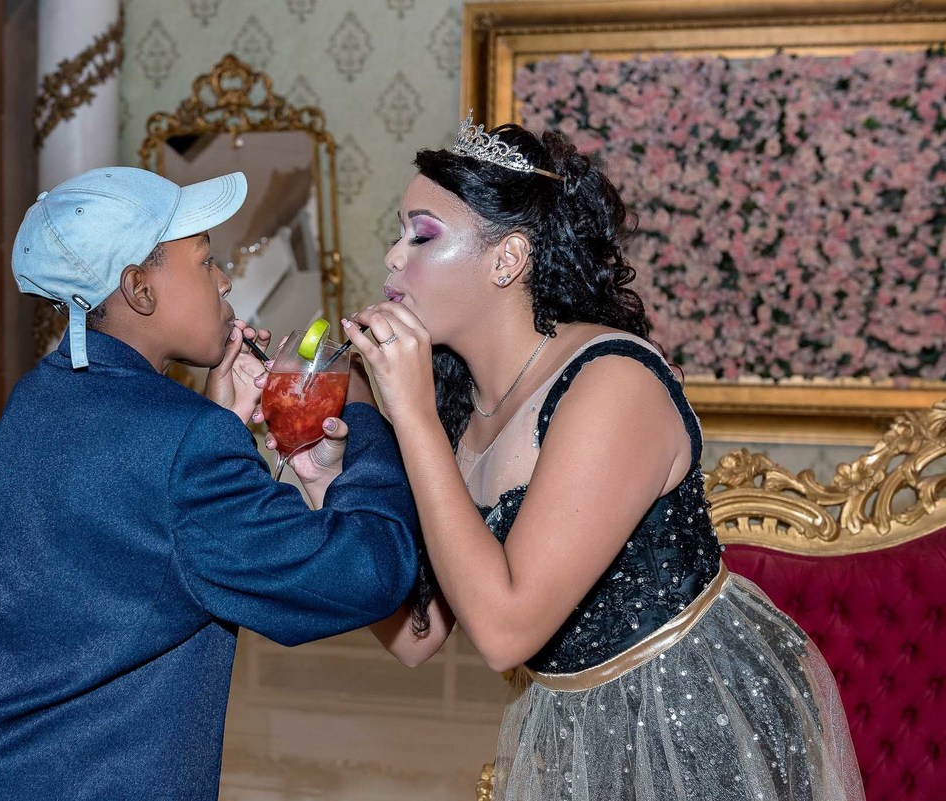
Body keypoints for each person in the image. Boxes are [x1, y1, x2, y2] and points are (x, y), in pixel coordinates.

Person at [323, 115, 863, 799]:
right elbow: (417, 636)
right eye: (397, 233)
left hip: (700, 730)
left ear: (507, 259)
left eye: (422, 234)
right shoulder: (460, 409)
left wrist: (414, 420)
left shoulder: (611, 383)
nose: (394, 257)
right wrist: (322, 482)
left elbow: (503, 631)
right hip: (572, 727)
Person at [0, 166, 420, 800]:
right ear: (139, 289)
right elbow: (363, 575)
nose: (224, 280)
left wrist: (212, 426)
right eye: (205, 262)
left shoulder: (41, 397)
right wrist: (370, 417)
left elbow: (137, 540)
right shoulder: (182, 444)